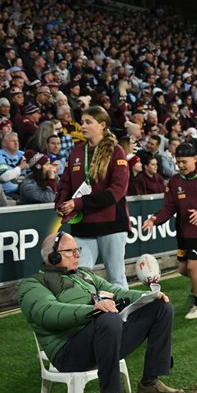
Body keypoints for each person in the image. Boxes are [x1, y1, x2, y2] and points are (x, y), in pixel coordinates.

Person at [18, 232, 182, 393]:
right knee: (108, 319)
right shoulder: (32, 284)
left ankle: (149, 382)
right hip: (68, 352)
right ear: (52, 257)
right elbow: (48, 313)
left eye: (77, 250)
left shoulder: (85, 274)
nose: (77, 255)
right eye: (71, 251)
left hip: (104, 341)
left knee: (161, 308)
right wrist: (92, 309)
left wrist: (148, 297)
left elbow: (116, 291)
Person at [141, 142, 197, 320]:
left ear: (195, 159)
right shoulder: (175, 181)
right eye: (178, 162)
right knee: (183, 270)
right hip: (183, 233)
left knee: (193, 267)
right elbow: (169, 208)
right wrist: (154, 219)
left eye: (184, 161)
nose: (181, 165)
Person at [56, 106, 132, 289]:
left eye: (88, 122)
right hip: (83, 226)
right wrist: (61, 203)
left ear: (102, 125)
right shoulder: (76, 152)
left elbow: (116, 191)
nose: (83, 126)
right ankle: (91, 317)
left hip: (111, 224)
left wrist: (78, 203)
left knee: (116, 279)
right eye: (82, 122)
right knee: (81, 279)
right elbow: (65, 184)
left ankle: (126, 317)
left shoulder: (116, 151)